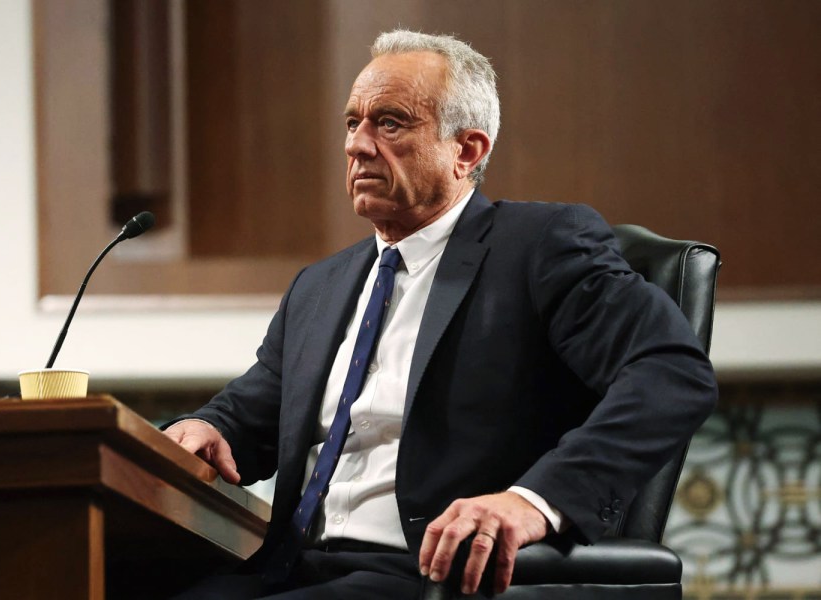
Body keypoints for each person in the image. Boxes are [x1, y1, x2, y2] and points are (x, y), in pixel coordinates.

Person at [163, 29, 717, 599]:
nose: (357, 145)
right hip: (285, 565)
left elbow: (671, 372)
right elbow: (258, 406)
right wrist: (211, 425)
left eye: (390, 123)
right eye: (352, 122)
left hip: (428, 575)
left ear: (467, 150)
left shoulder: (540, 246)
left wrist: (530, 502)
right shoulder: (320, 285)